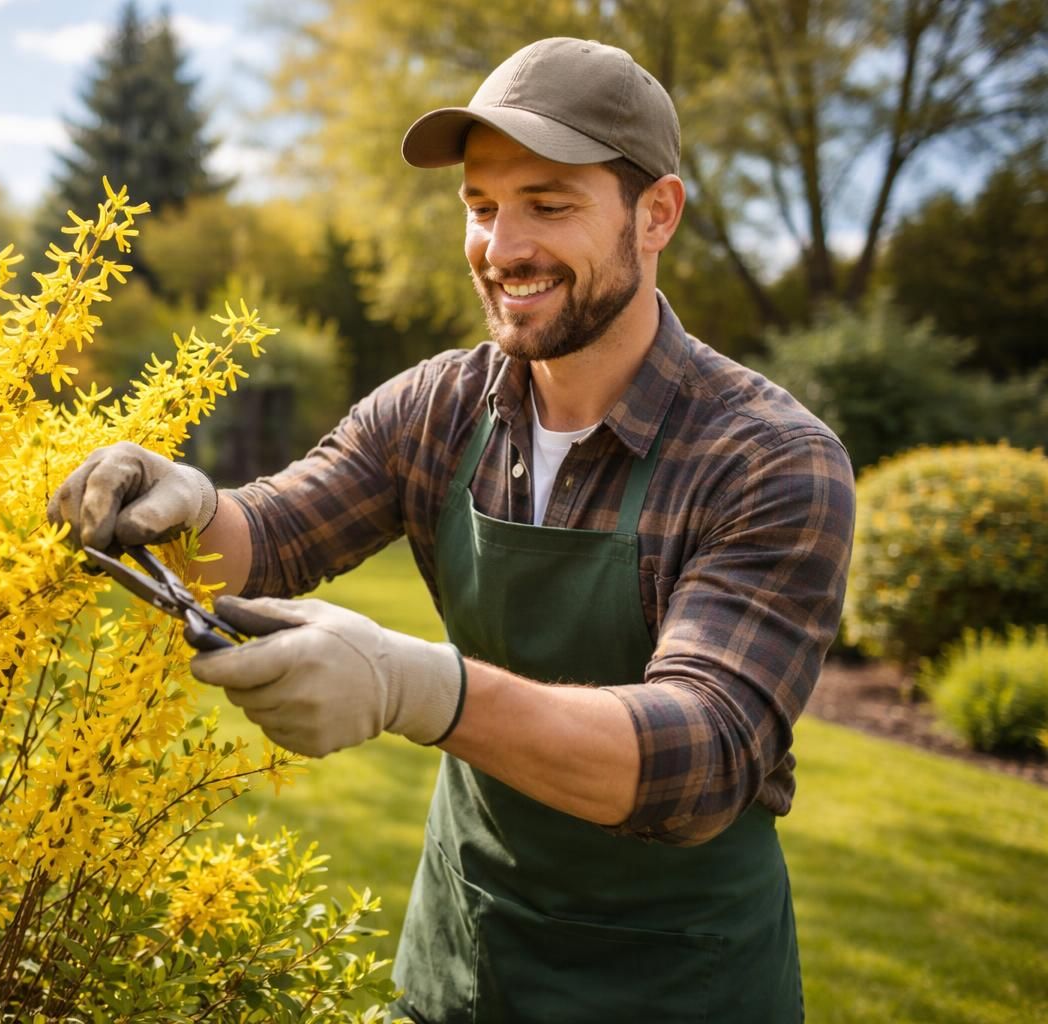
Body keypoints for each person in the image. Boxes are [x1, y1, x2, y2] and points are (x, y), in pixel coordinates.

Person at [48, 36, 854, 1023]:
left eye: (548, 205)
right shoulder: (440, 407)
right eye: (481, 206)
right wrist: (185, 504)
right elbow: (274, 535)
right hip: (463, 962)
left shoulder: (768, 459)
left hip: (679, 982)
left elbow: (703, 755)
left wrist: (417, 685)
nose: (502, 248)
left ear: (657, 214)